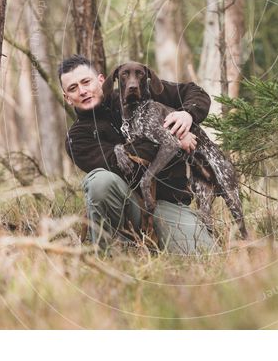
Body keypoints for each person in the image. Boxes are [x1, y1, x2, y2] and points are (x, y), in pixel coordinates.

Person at [58, 54, 216, 254]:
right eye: (73, 88)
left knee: (204, 254)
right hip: (127, 205)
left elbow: (193, 92)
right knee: (100, 182)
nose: (82, 91)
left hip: (167, 205)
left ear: (100, 80)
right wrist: (172, 138)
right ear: (67, 98)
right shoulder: (77, 138)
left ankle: (156, 245)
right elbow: (123, 164)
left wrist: (187, 115)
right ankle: (112, 252)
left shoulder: (137, 90)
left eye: (86, 82)